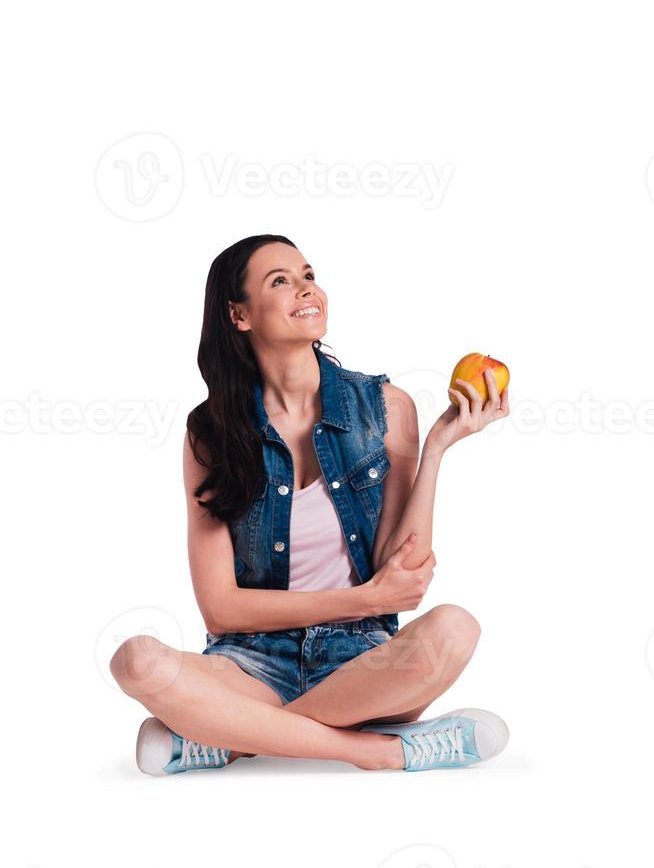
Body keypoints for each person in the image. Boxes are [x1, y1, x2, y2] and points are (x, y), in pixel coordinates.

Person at [110, 234, 511, 775]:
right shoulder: (212, 433)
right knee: (136, 661)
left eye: (308, 274)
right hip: (250, 662)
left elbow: (405, 579)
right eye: (280, 281)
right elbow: (221, 609)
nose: (307, 289)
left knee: (455, 628)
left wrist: (437, 448)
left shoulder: (386, 408)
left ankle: (228, 738)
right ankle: (380, 750)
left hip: (361, 660)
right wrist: (364, 598)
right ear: (239, 314)